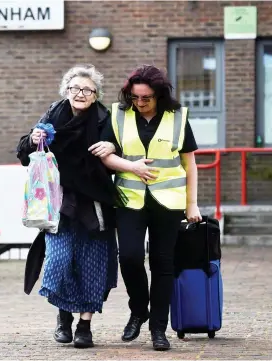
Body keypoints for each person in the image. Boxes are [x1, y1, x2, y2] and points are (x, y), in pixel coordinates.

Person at [17, 64, 125, 349]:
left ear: (95, 94)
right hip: (61, 204)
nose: (80, 93)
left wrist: (113, 148)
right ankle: (63, 316)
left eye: (87, 90)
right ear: (66, 90)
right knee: (60, 260)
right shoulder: (53, 115)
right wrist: (33, 139)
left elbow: (121, 145)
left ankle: (85, 326)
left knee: (92, 266)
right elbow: (24, 149)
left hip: (95, 204)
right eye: (75, 88)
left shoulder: (106, 119)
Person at [100, 64, 202, 351]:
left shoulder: (178, 118)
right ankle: (139, 309)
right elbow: (106, 156)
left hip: (169, 201)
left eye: (146, 98)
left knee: (162, 264)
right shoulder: (118, 115)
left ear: (159, 95)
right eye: (135, 98)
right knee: (130, 257)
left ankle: (159, 328)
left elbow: (189, 163)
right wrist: (129, 166)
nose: (140, 103)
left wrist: (191, 204)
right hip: (129, 199)